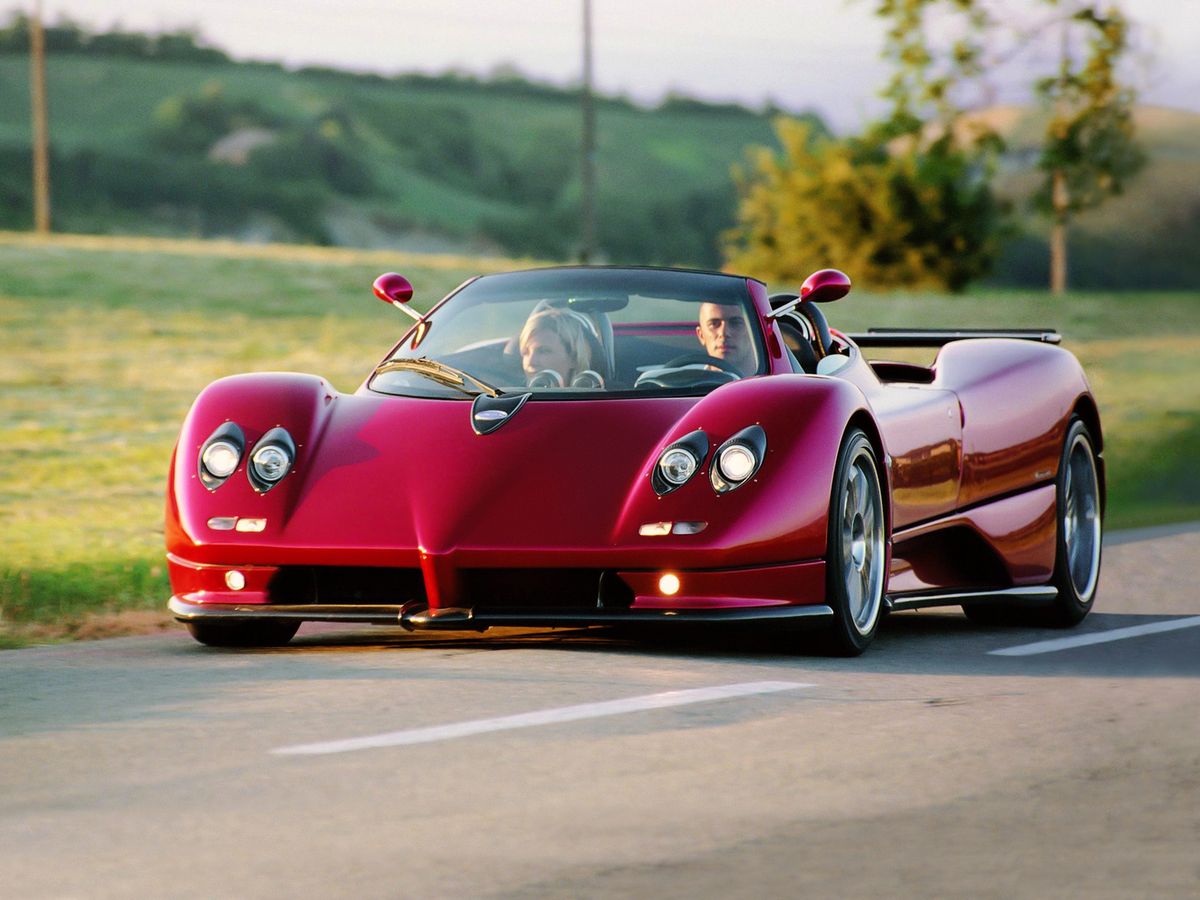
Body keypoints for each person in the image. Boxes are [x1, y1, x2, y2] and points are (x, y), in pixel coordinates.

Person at [518, 307, 598, 387]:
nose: (531, 362)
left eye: (543, 351)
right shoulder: (509, 396)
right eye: (526, 352)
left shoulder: (599, 399)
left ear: (574, 358)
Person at [695, 301, 756, 375]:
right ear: (701, 335)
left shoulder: (771, 384)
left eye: (736, 323)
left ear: (753, 332)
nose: (724, 333)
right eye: (714, 324)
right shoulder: (688, 384)